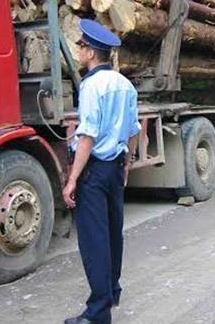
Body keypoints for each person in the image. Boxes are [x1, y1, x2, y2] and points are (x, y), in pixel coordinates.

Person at [62, 19, 141, 324]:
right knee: (112, 234)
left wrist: (72, 180)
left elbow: (88, 137)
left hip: (93, 171)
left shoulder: (91, 85)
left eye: (81, 46)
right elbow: (134, 130)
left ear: (92, 53)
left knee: (94, 239)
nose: (79, 50)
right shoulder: (125, 84)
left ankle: (98, 313)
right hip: (115, 167)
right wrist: (128, 163)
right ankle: (112, 290)